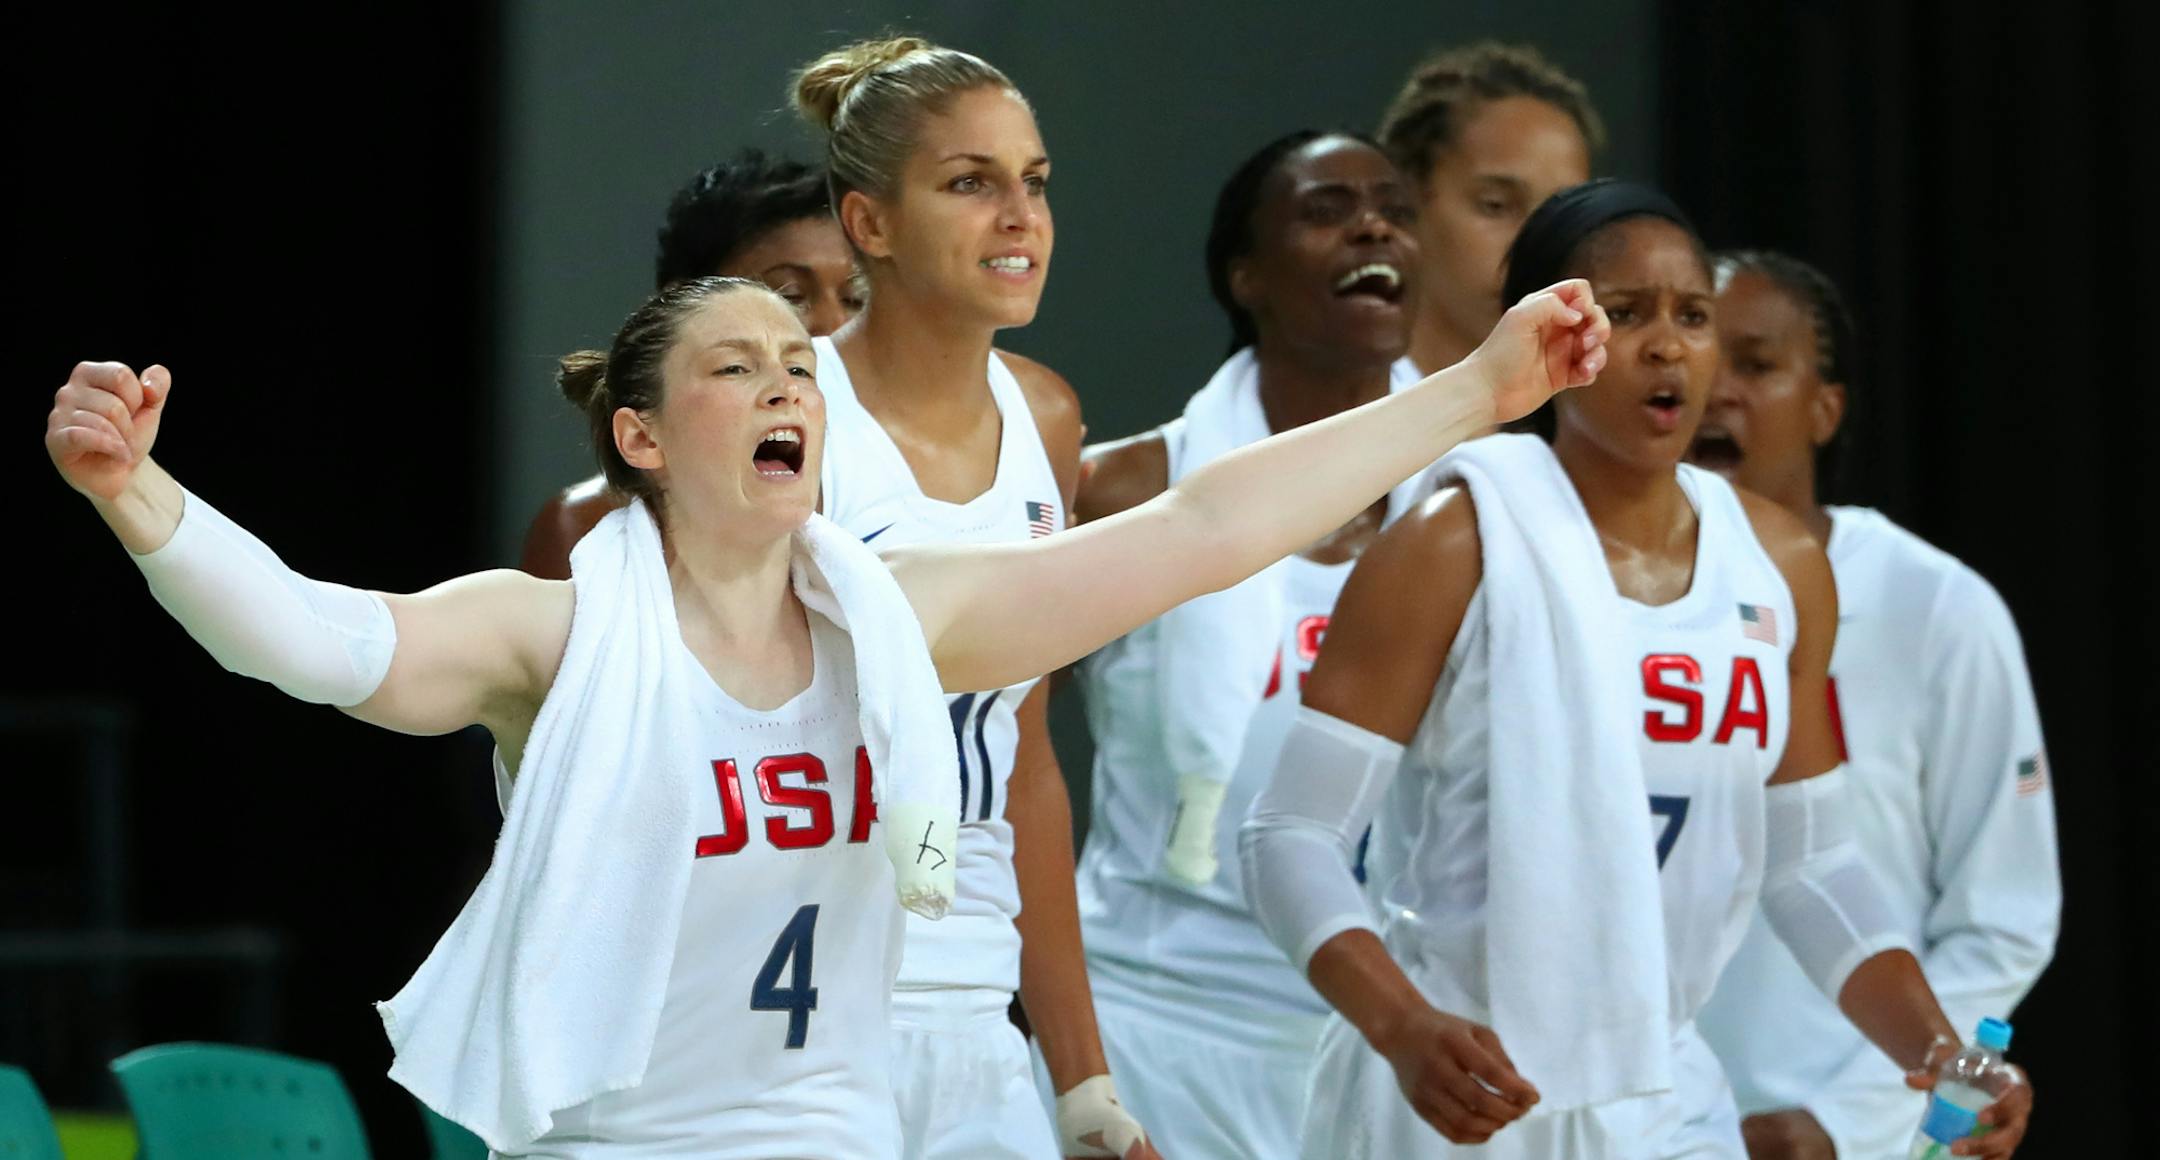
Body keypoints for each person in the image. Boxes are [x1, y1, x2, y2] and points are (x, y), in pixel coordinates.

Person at [46, 270, 1606, 1156]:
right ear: (644, 436)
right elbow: (311, 644)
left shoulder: (904, 613)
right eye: (739, 368)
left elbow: (1198, 533)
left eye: (800, 364)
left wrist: (1471, 389)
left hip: (842, 1132)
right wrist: (140, 494)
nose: (790, 387)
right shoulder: (556, 635)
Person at [1241, 180, 2033, 1160]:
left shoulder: (1780, 564)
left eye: (1693, 315)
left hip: (1665, 1091)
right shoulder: (1456, 537)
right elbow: (1290, 832)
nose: (1668, 345)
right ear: (1550, 336)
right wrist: (1399, 1023)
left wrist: (1940, 1050)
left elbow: (1814, 862)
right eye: (1625, 314)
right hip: (1458, 1082)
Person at [788, 36, 1129, 1159]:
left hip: (973, 1006)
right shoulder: (789, 414)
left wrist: (1082, 1083)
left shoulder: (1047, 417)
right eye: (970, 182)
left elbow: (1026, 756)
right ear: (868, 223)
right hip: (799, 1005)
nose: (1019, 215)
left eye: (1033, 181)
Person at [1066, 128, 1424, 1159]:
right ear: (1245, 274)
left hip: (1397, 1040)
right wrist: (1069, 1060)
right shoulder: (1126, 493)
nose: (1372, 225)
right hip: (1160, 1030)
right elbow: (1001, 763)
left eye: (1394, 207)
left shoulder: (1483, 506)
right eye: (1326, 208)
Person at [1687, 250, 2060, 1160]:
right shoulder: (1609, 603)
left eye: (1758, 364)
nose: (1717, 391)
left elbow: (2002, 919)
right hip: (1657, 1124)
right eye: (1701, 354)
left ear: (1827, 408)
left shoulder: (1938, 607)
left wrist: (1842, 1126)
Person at [519, 149, 863, 579]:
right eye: (787, 296)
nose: (833, 327)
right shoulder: (588, 528)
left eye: (856, 299)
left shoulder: (915, 498)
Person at [1377, 41, 1601, 376]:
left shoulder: (1581, 418)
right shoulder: (1323, 407)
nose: (1534, 243)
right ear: (1403, 204)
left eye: (1563, 216)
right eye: (1496, 206)